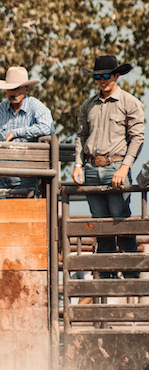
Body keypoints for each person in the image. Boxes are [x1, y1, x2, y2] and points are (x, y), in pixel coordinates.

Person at [71, 55, 144, 278]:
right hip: (92, 168)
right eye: (98, 77)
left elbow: (137, 138)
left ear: (116, 76)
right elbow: (81, 137)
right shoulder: (88, 105)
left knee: (120, 220)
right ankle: (106, 276)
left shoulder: (130, 103)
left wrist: (124, 167)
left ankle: (132, 277)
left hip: (115, 167)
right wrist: (77, 164)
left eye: (106, 76)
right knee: (100, 224)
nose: (102, 81)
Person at [0, 66, 54, 195]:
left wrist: (16, 133)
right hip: (1, 175)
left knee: (24, 211)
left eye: (16, 89)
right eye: (9, 89)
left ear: (26, 89)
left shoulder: (36, 107)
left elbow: (48, 127)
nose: (12, 93)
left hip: (26, 175)